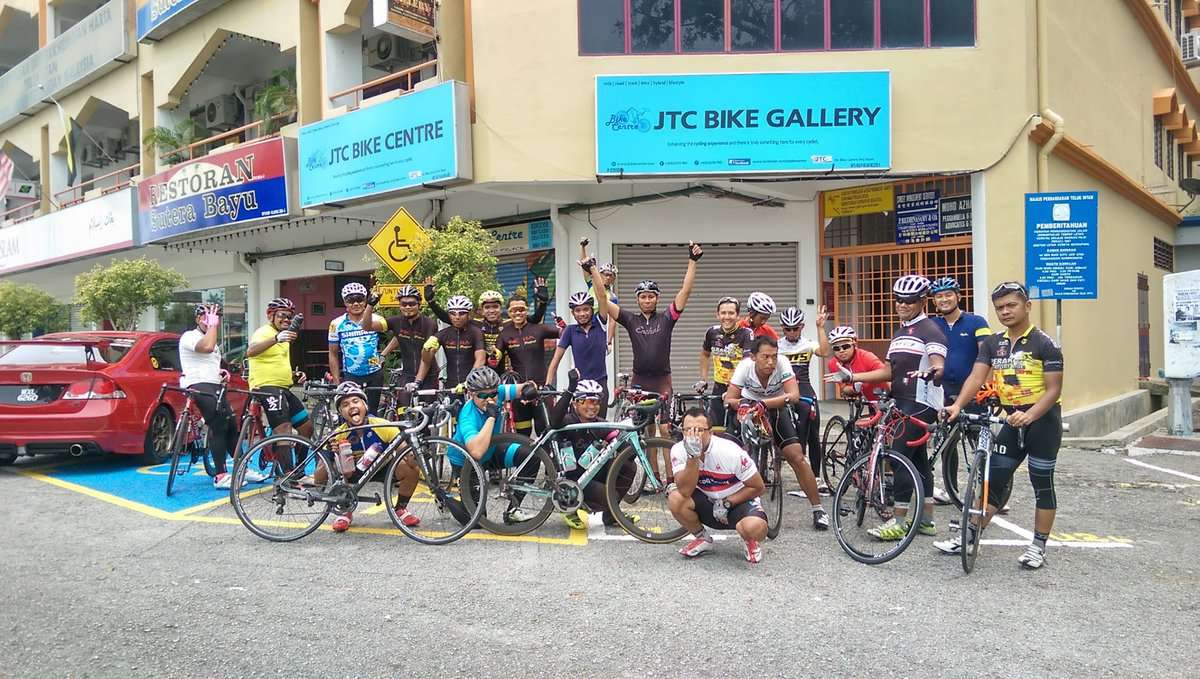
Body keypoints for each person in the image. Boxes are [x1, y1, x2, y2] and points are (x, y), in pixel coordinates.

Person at [936, 281, 1064, 570]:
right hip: (1011, 420)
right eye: (1000, 308)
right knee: (992, 481)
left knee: (1042, 484)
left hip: (1043, 422)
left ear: (1027, 306)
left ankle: (1038, 546)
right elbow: (976, 378)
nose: (1005, 311)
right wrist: (957, 405)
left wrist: (1030, 415)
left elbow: (1053, 390)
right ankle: (969, 535)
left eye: (1011, 305)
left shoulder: (1045, 343)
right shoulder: (995, 343)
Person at [829, 275, 947, 541]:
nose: (903, 305)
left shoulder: (930, 330)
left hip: (921, 402)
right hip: (902, 400)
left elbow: (939, 362)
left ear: (922, 301)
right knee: (918, 463)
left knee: (898, 457)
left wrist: (935, 371)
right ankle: (926, 520)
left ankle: (899, 521)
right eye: (899, 300)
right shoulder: (901, 331)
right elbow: (888, 371)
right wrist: (852, 377)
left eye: (910, 301)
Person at [725, 337, 829, 530]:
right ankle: (731, 501)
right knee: (737, 455)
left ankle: (818, 509)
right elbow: (730, 398)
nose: (771, 362)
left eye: (774, 356)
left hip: (775, 407)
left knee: (797, 457)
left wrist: (765, 404)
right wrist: (744, 405)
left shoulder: (782, 363)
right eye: (765, 357)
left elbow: (794, 395)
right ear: (753, 357)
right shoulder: (744, 367)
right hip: (749, 408)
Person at [587, 241, 701, 405]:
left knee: (664, 428)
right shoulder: (630, 319)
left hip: (662, 380)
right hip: (639, 379)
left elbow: (686, 290)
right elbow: (602, 298)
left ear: (657, 298)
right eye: (643, 297)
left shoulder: (667, 318)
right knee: (643, 426)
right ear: (637, 299)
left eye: (651, 296)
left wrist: (693, 260)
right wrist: (593, 270)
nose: (647, 300)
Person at [668, 408, 769, 563]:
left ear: (711, 432)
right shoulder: (678, 450)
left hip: (737, 502)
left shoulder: (730, 452)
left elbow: (758, 487)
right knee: (675, 498)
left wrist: (728, 502)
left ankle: (750, 541)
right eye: (688, 430)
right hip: (707, 502)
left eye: (699, 430)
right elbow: (685, 491)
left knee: (753, 528)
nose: (694, 435)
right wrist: (692, 457)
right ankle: (702, 538)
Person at [319, 382, 422, 533]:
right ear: (341, 412)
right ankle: (345, 511)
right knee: (340, 465)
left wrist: (416, 453)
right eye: (346, 404)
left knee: (411, 469)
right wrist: (329, 454)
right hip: (352, 474)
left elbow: (407, 455)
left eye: (356, 401)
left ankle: (400, 509)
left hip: (382, 468)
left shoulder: (382, 425)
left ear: (365, 406)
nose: (352, 406)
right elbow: (318, 478)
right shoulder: (338, 433)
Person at [179, 303, 263, 488]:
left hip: (214, 384)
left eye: (213, 317)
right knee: (219, 424)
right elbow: (207, 347)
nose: (209, 320)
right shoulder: (190, 336)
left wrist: (221, 372)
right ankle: (220, 475)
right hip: (197, 384)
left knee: (232, 425)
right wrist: (213, 325)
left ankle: (242, 467)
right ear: (197, 319)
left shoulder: (212, 338)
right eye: (205, 316)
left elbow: (211, 359)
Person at [451, 367, 544, 525]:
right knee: (476, 521)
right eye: (482, 395)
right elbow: (476, 452)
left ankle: (513, 509)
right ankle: (443, 496)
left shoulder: (499, 392)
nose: (489, 399)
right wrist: (491, 418)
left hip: (492, 450)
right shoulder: (468, 415)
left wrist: (531, 389)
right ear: (471, 394)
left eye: (492, 394)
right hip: (467, 461)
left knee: (531, 456)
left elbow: (523, 388)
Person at [547, 371, 633, 529]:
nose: (593, 407)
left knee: (628, 467)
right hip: (571, 480)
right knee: (610, 496)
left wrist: (633, 438)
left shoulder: (599, 424)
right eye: (588, 402)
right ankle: (568, 509)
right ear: (576, 403)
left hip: (590, 474)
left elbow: (622, 446)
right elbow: (554, 421)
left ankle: (611, 515)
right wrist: (571, 388)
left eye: (596, 402)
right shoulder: (568, 421)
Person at [245, 298, 313, 471]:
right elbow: (251, 351)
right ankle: (288, 476)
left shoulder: (286, 338)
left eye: (289, 317)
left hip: (283, 388)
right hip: (266, 387)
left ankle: (298, 469)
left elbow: (274, 363)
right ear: (271, 316)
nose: (286, 320)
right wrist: (276, 338)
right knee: (284, 429)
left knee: (306, 427)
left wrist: (295, 375)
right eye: (282, 315)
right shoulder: (264, 332)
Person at [428, 277, 549, 372]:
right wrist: (431, 302)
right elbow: (450, 319)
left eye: (495, 307)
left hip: (507, 371)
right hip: (481, 371)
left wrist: (543, 302)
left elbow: (534, 319)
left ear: (501, 308)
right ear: (481, 310)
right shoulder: (475, 324)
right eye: (487, 307)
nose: (491, 310)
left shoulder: (510, 322)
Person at [777, 306, 831, 492]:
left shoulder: (807, 343)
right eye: (787, 329)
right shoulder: (777, 345)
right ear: (782, 328)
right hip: (783, 388)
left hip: (804, 387)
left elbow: (824, 352)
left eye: (795, 328)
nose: (791, 332)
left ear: (801, 327)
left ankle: (815, 477)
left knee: (813, 431)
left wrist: (821, 328)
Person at [496, 294, 560, 435]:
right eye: (514, 310)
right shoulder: (505, 335)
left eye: (521, 309)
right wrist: (493, 357)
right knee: (522, 436)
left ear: (526, 311)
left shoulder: (538, 329)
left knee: (545, 433)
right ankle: (527, 458)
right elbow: (495, 359)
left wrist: (563, 325)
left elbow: (566, 334)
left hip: (541, 390)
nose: (518, 313)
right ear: (509, 312)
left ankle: (547, 457)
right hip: (519, 391)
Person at [929, 276, 991, 406]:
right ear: (934, 302)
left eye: (948, 295)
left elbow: (987, 355)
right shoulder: (931, 325)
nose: (944, 299)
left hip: (973, 392)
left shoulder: (977, 322)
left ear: (958, 296)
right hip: (940, 394)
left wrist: (986, 385)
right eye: (939, 296)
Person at [327, 282, 389, 412]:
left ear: (366, 300)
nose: (356, 304)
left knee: (372, 413)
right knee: (352, 412)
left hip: (374, 373)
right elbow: (333, 353)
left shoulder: (376, 319)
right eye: (351, 300)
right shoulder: (336, 324)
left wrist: (384, 354)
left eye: (360, 299)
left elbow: (399, 333)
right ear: (345, 302)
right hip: (351, 374)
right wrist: (337, 382)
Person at [546, 291, 609, 416]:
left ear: (592, 310)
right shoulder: (570, 331)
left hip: (600, 384)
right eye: (578, 310)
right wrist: (547, 384)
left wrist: (592, 271)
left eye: (586, 309)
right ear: (572, 313)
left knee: (600, 426)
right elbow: (556, 360)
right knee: (576, 427)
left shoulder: (600, 324)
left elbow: (602, 297)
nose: (582, 313)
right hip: (580, 386)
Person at [696, 296, 754, 429]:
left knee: (737, 428)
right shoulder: (712, 332)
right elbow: (705, 354)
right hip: (719, 387)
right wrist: (703, 379)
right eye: (723, 313)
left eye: (731, 313)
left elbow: (747, 363)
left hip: (741, 388)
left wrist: (734, 388)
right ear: (717, 315)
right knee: (715, 428)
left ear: (738, 316)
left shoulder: (746, 334)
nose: (726, 317)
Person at [380, 284, 439, 397]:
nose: (407, 307)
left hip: (428, 376)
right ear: (399, 305)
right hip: (407, 373)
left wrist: (418, 381)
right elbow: (400, 336)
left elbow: (426, 357)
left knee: (426, 411)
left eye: (411, 304)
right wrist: (370, 304)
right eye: (404, 304)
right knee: (403, 410)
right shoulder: (398, 321)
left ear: (419, 304)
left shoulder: (429, 324)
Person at [416, 295, 485, 389]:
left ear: (469, 314)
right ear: (449, 314)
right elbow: (426, 360)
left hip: (473, 385)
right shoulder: (444, 334)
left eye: (462, 313)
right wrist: (425, 350)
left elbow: (480, 360)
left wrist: (469, 382)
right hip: (451, 385)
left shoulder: (476, 332)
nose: (457, 317)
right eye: (453, 313)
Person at [824, 326, 890, 402]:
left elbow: (887, 376)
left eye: (846, 346)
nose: (841, 351)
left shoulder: (866, 357)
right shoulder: (833, 364)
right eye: (836, 348)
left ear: (854, 344)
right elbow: (844, 389)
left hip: (887, 398)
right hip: (869, 402)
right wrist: (854, 389)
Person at [581, 238, 619, 354]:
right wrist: (583, 247)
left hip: (598, 324)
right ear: (600, 274)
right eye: (605, 274)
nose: (608, 277)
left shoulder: (612, 297)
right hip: (584, 320)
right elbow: (584, 264)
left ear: (614, 279)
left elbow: (613, 320)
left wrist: (609, 341)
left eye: (611, 275)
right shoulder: (591, 283)